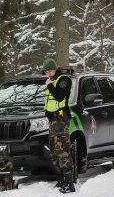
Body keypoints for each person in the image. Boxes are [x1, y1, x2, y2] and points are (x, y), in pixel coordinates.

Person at [43, 58, 75, 193]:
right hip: (53, 122)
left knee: (63, 151)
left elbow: (60, 97)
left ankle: (68, 182)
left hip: (61, 121)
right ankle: (60, 179)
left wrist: (49, 85)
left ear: (55, 69)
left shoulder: (63, 80)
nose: (48, 73)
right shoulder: (51, 80)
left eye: (50, 70)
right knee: (54, 151)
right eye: (46, 71)